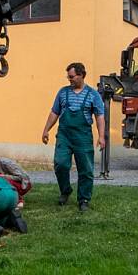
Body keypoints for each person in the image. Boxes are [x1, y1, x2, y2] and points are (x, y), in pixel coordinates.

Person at [41, 62, 106, 212]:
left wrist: (101, 136)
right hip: (64, 135)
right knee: (60, 164)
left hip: (83, 136)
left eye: (72, 77)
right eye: (68, 77)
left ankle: (83, 199)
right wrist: (46, 130)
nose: (69, 79)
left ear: (81, 75)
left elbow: (99, 116)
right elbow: (54, 112)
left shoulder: (92, 94)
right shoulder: (63, 92)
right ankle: (65, 190)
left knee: (86, 169)